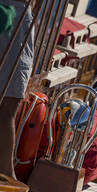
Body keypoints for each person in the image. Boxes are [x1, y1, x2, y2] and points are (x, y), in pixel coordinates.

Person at [0, 0, 34, 179]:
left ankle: (6, 174)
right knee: (7, 106)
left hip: (12, 11)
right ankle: (7, 175)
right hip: (12, 11)